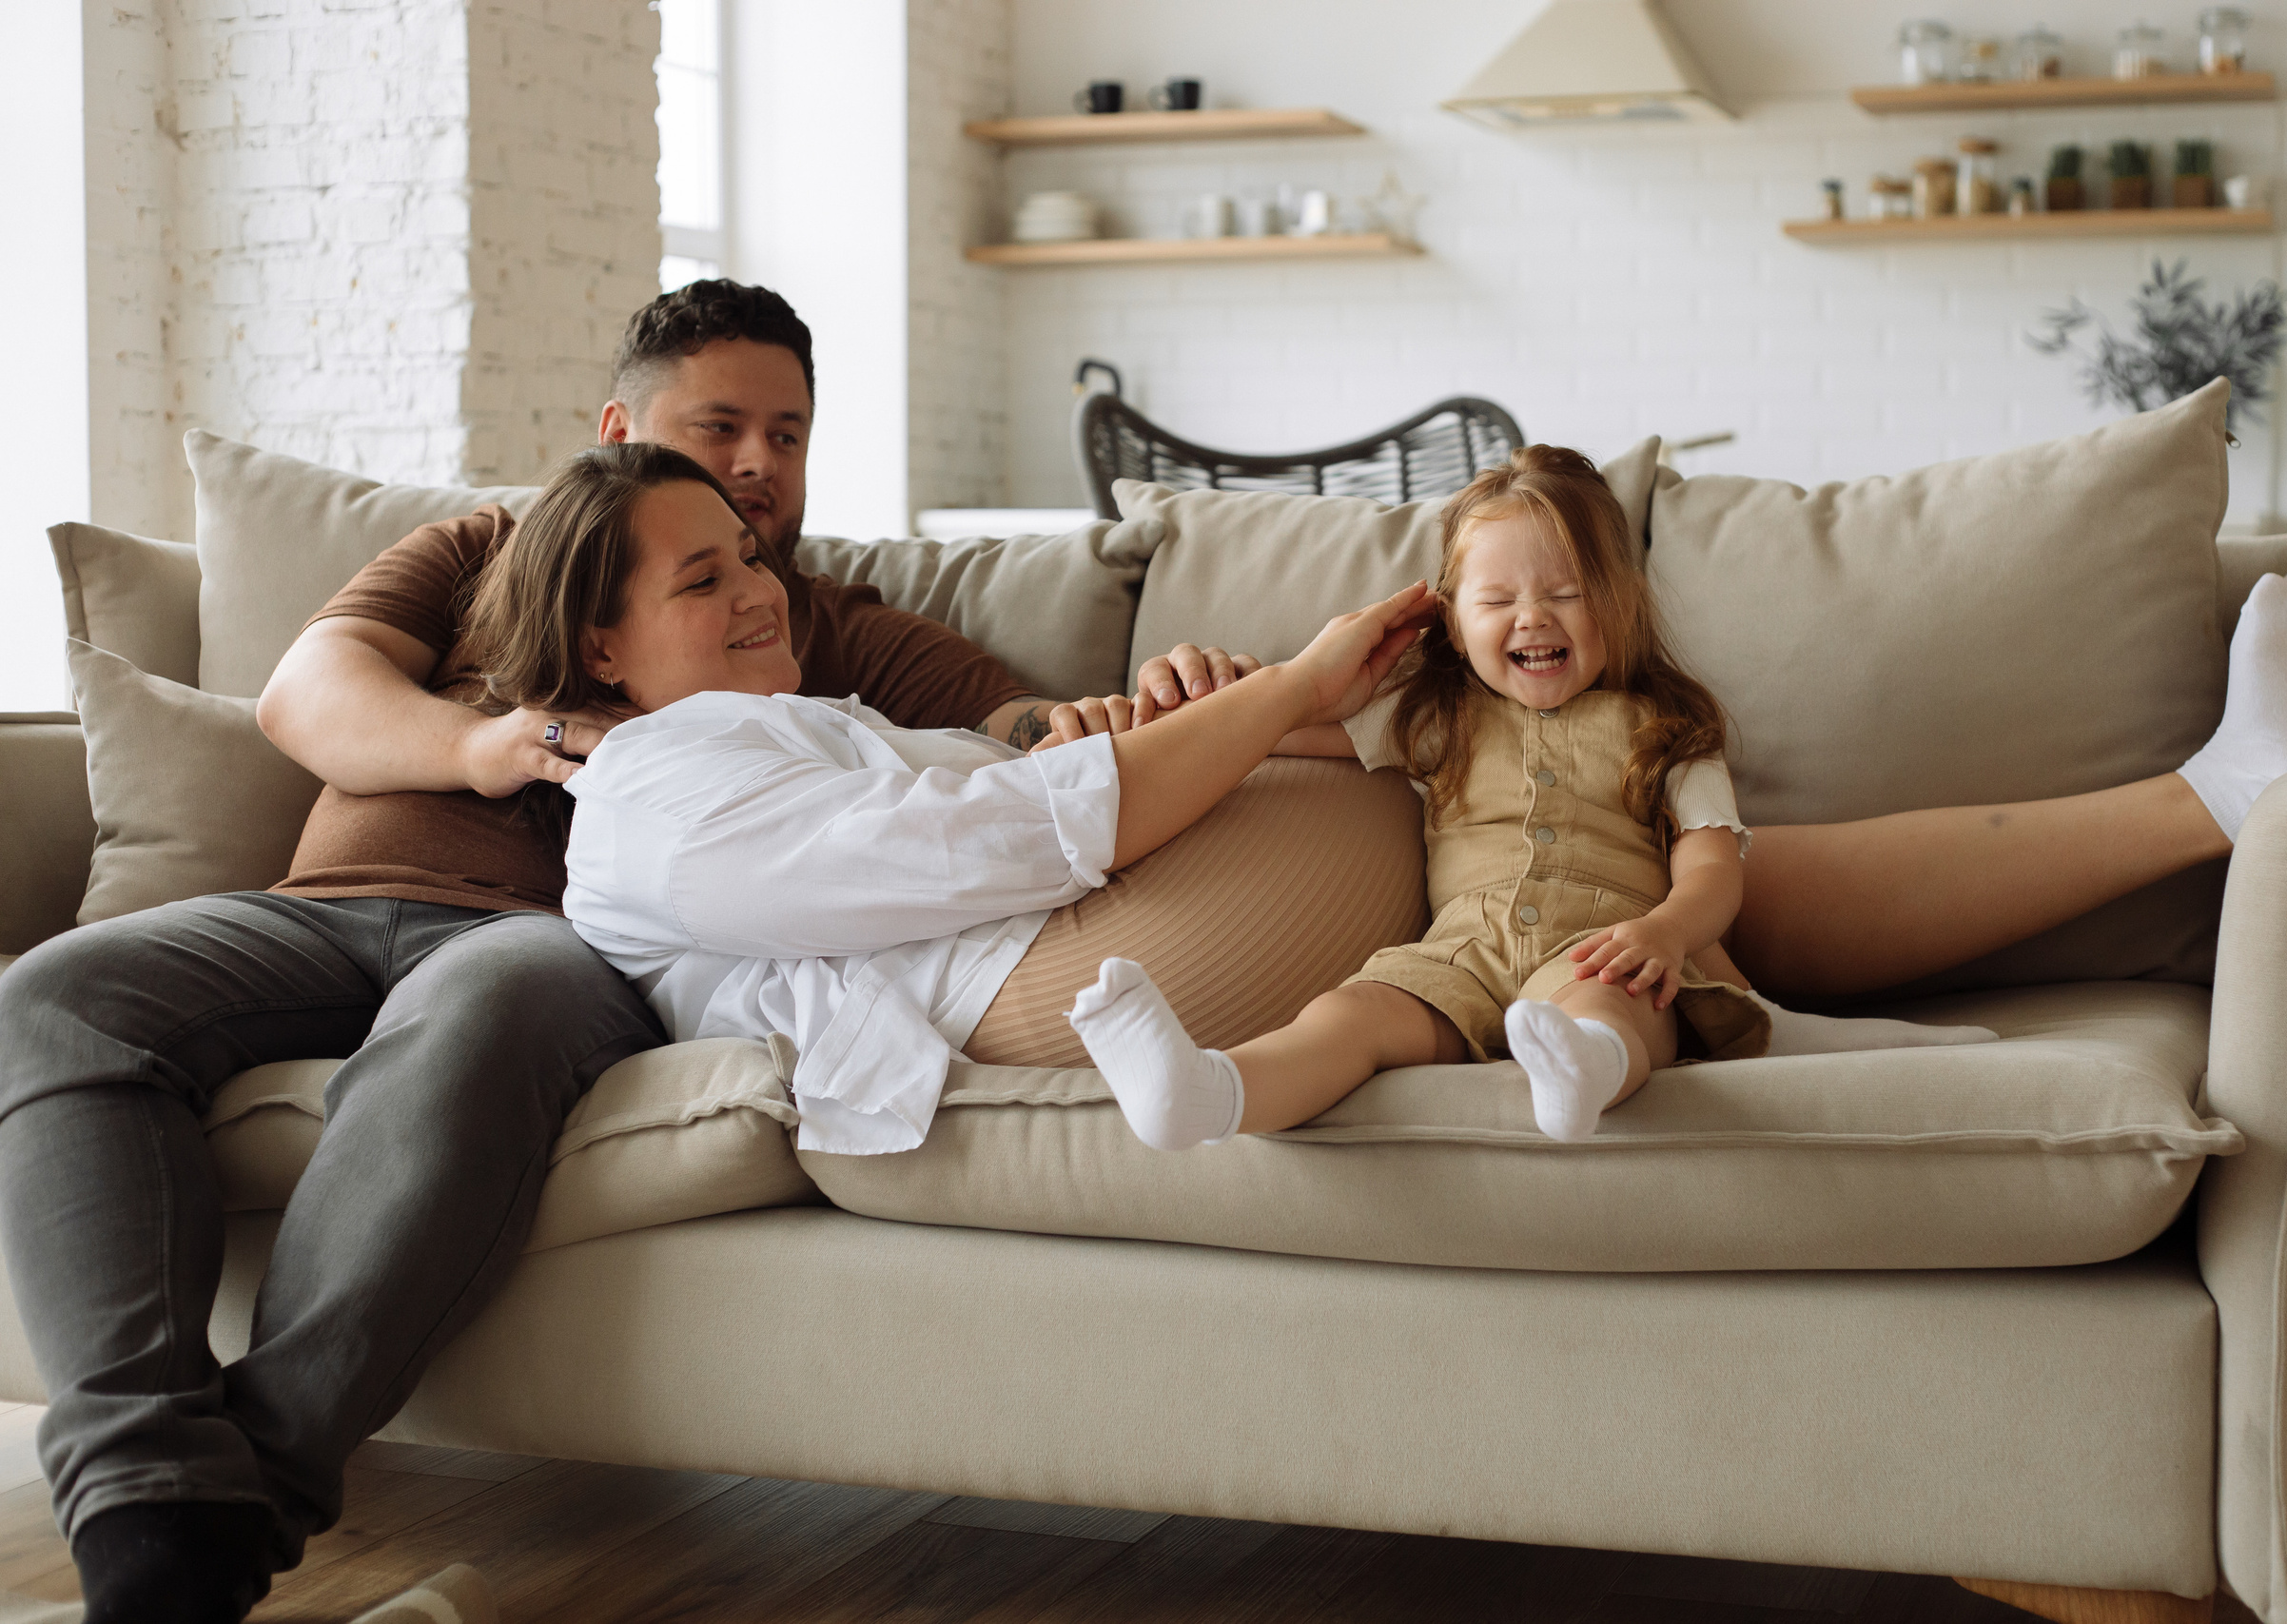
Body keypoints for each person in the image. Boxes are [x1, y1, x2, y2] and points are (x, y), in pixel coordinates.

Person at [0, 280, 1241, 1622]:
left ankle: (221, 1515)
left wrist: (1132, 712)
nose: (759, 462)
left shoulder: (808, 617)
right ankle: (147, 1494)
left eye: (788, 433)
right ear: (619, 429)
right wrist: (500, 744)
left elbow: (1019, 726)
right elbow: (306, 694)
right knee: (58, 994)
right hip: (326, 904)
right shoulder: (480, 547)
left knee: (475, 1019)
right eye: (721, 426)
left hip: (543, 946)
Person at [479, 442, 1436, 1152]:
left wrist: (1176, 722)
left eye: (751, 558)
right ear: (600, 647)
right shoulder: (642, 797)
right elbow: (963, 848)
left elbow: (999, 811)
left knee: (1405, 760)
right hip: (1008, 994)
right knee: (1392, 773)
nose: (758, 592)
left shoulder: (808, 725)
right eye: (702, 580)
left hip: (1048, 943)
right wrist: (1280, 698)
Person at [1065, 448, 1995, 1151]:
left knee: (1609, 1009)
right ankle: (1205, 1092)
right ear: (1450, 619)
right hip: (1456, 958)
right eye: (1497, 599)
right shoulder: (1432, 718)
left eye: (1565, 591)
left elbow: (1714, 867)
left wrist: (1664, 933)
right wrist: (1182, 709)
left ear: (1619, 602)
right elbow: (1282, 728)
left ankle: (1581, 1073)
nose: (1533, 616)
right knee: (1346, 1019)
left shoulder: (1668, 729)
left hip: (1604, 950)